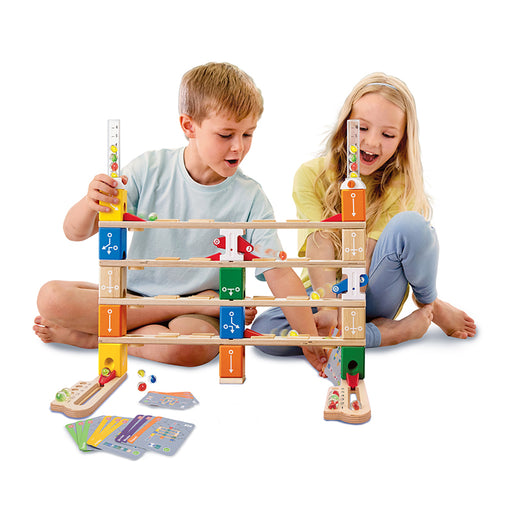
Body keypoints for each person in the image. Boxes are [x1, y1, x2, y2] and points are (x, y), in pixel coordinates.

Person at [34, 62, 324, 371]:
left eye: (248, 134)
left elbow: (279, 273)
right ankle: (139, 326)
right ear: (189, 126)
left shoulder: (250, 197)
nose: (238, 147)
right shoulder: (150, 169)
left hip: (197, 314)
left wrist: (311, 340)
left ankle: (96, 338)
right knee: (51, 298)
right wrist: (90, 201)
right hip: (137, 297)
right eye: (225, 134)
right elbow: (75, 232)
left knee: (191, 347)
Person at [253, 72, 476, 362]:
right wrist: (328, 307)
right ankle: (384, 333)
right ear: (345, 125)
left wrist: (346, 304)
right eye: (361, 128)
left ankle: (428, 302)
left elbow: (367, 255)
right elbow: (320, 242)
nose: (371, 142)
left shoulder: (400, 184)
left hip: (372, 287)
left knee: (412, 226)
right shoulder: (311, 175)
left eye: (388, 135)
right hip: (322, 290)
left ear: (402, 141)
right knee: (264, 331)